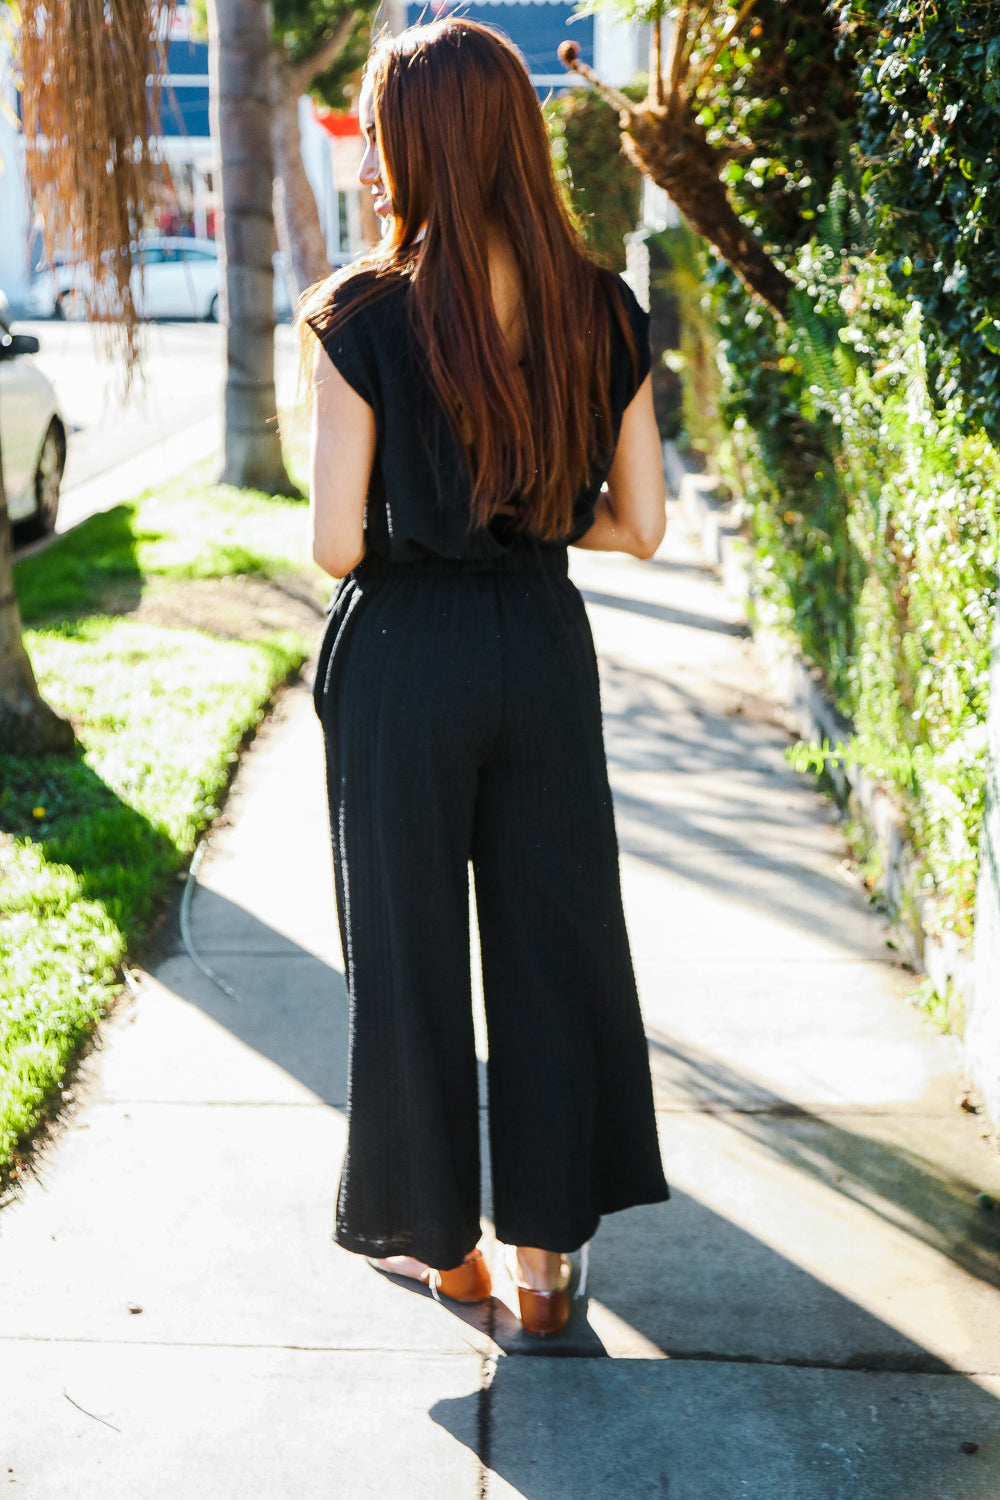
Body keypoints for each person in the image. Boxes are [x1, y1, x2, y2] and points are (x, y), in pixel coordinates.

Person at [299, 18, 669, 1339]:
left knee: (407, 953)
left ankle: (443, 1249)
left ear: (411, 144)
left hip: (404, 650)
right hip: (543, 646)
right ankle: (549, 1268)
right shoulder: (603, 306)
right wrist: (528, 511)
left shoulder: (360, 313)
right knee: (554, 943)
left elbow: (337, 541)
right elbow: (641, 527)